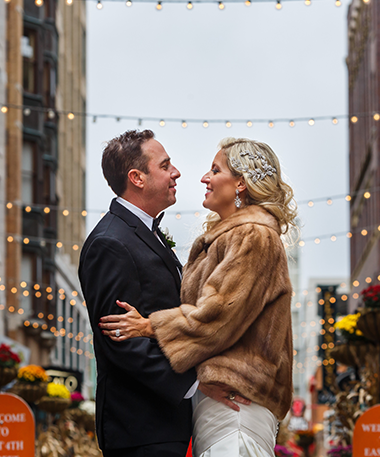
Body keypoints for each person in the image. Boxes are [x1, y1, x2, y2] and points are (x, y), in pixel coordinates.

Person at [99, 137, 296, 457]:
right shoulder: (232, 235)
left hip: (236, 410)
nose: (204, 178)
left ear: (241, 184)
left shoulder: (253, 235)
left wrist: (150, 326)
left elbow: (220, 314)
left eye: (215, 170)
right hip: (223, 405)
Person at [79, 130, 248, 457]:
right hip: (141, 429)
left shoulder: (145, 233)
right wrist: (196, 384)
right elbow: (120, 338)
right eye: (165, 165)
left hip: (167, 425)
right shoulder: (110, 243)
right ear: (137, 178)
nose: (177, 173)